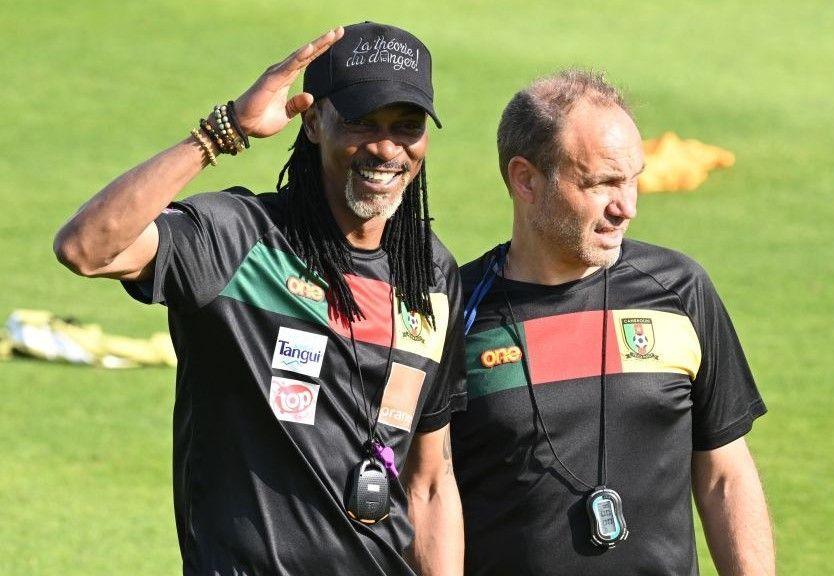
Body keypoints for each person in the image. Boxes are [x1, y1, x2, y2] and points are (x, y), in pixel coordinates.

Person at [54, 22, 465, 576]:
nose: (386, 148)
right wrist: (217, 135)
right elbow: (87, 249)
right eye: (362, 122)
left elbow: (432, 480)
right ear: (314, 121)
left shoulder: (430, 273)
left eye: (406, 127)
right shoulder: (235, 239)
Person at [452, 70, 774, 575]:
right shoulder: (458, 311)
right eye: (602, 183)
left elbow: (724, 473)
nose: (627, 208)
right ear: (526, 179)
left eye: (633, 179)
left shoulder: (679, 290)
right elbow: (423, 488)